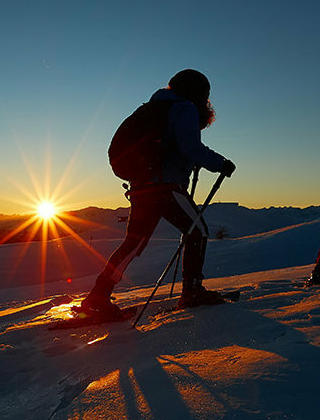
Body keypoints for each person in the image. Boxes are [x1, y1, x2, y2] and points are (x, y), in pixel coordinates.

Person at [80, 69, 236, 317]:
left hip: (141, 188)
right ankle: (192, 291)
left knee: (133, 243)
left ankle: (97, 297)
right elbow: (190, 147)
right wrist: (221, 163)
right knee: (197, 230)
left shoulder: (154, 108)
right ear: (198, 92)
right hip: (166, 186)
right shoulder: (184, 107)